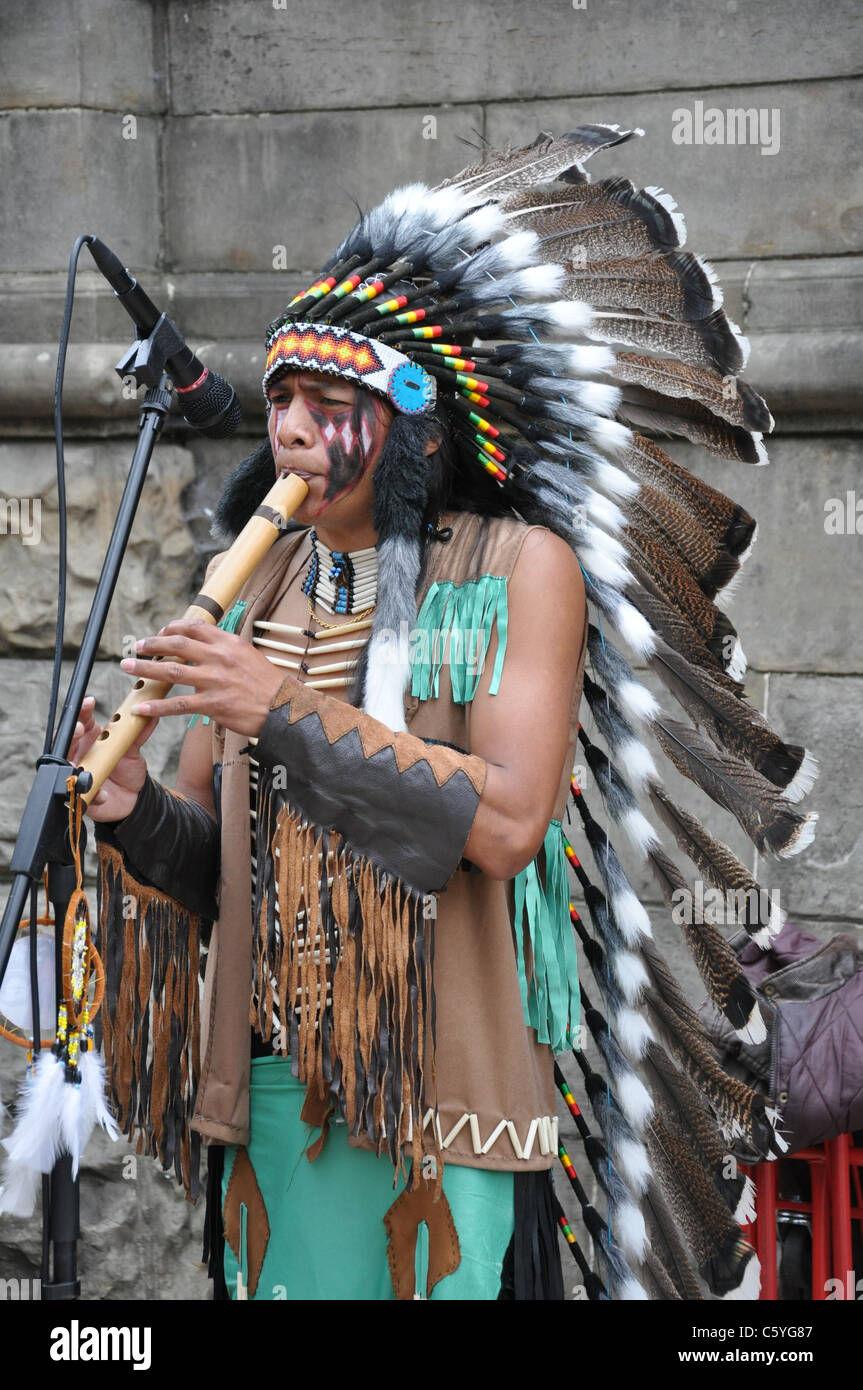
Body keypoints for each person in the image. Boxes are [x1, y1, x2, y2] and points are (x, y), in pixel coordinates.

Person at [63, 126, 815, 1302]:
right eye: (281, 401)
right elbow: (218, 865)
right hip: (273, 1086)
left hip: (440, 1081)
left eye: (329, 401)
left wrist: (278, 711)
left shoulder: (518, 569)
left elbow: (509, 821)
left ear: (410, 418)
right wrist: (128, 810)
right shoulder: (258, 584)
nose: (293, 431)